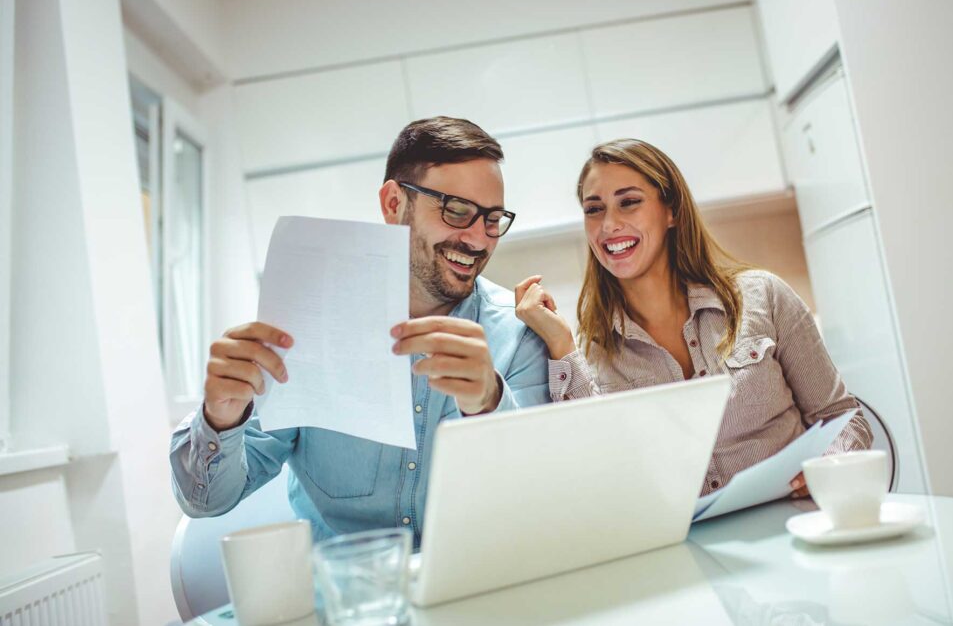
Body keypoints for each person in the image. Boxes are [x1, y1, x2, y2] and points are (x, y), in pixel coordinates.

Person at [170, 117, 550, 544]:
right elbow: (206, 501)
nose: (478, 240)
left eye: (492, 219)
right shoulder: (303, 328)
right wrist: (220, 418)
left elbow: (539, 496)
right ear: (393, 203)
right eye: (457, 210)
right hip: (348, 583)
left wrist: (490, 405)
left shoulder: (518, 332)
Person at [514, 139, 870, 498]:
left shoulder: (763, 296)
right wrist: (560, 344)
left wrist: (829, 468)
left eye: (629, 202)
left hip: (793, 518)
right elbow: (596, 473)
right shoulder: (593, 355)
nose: (609, 224)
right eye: (594, 209)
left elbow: (841, 417)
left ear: (671, 211)